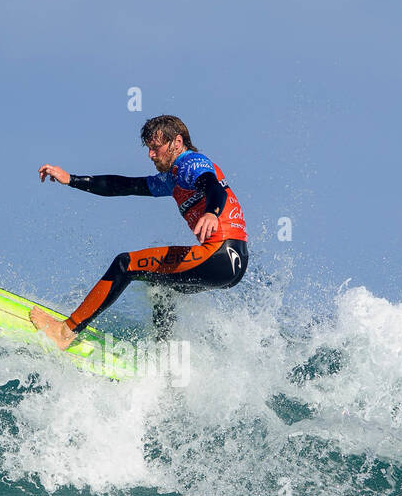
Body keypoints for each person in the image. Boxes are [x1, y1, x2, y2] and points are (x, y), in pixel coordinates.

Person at [31, 115, 248, 349]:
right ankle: (165, 361)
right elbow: (124, 186)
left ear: (177, 142)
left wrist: (211, 212)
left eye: (155, 148)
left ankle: (65, 331)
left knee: (125, 264)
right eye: (149, 149)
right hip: (233, 263)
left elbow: (213, 186)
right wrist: (71, 179)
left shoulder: (190, 164)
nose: (150, 155)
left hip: (218, 253)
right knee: (162, 289)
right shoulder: (172, 179)